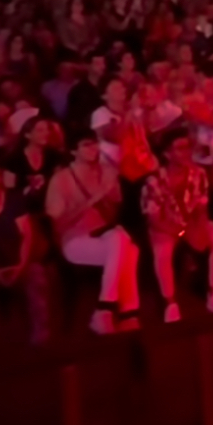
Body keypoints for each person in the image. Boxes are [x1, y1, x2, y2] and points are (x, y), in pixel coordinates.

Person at [46, 133, 140, 334]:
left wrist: (109, 195)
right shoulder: (61, 179)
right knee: (127, 247)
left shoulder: (105, 172)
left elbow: (112, 215)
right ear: (74, 151)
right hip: (74, 240)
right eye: (86, 145)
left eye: (95, 144)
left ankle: (107, 310)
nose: (93, 149)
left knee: (122, 240)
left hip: (104, 236)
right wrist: (92, 199)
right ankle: (126, 313)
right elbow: (58, 222)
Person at [142, 130, 213, 319]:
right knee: (163, 252)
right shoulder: (154, 181)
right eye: (180, 148)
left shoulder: (199, 174)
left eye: (188, 147)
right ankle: (170, 303)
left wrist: (200, 229)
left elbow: (202, 207)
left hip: (190, 221)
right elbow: (154, 219)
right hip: (165, 225)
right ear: (167, 154)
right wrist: (182, 233)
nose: (187, 152)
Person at [0, 161, 51, 356]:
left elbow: (27, 236)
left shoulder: (13, 201)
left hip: (16, 260)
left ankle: (41, 337)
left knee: (36, 275)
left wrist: (21, 266)